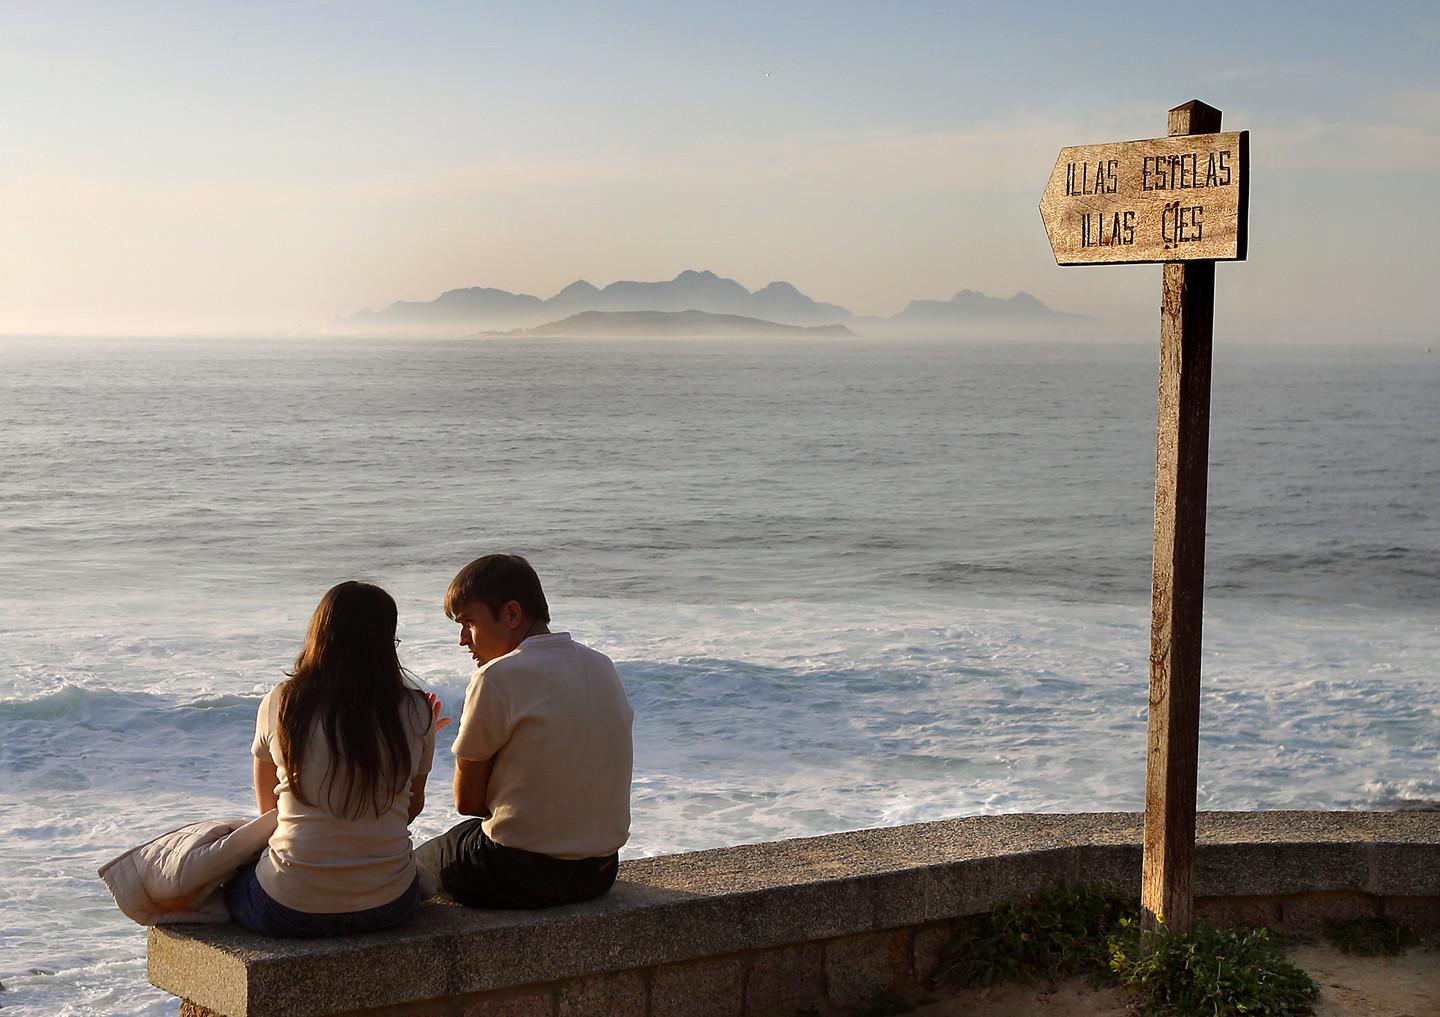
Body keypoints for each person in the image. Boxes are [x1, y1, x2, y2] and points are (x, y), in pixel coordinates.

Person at [415, 554, 633, 909]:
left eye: (468, 622)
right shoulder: (601, 665)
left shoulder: (497, 677)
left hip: (516, 875)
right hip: (599, 872)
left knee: (417, 864)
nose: (462, 640)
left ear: (513, 614)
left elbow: (467, 802)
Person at [225, 581, 437, 937]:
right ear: (387, 643)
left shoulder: (282, 703)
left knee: (230, 882)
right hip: (389, 903)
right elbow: (409, 809)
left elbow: (270, 814)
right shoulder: (417, 710)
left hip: (290, 906)